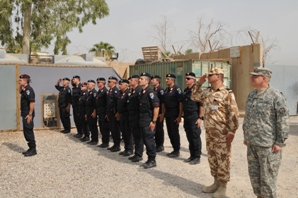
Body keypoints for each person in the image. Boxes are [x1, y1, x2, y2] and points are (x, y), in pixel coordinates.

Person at [191, 67, 239, 198]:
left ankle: (223, 186)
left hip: (222, 133)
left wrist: (232, 131)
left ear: (218, 76)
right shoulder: (207, 91)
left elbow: (234, 114)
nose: (208, 76)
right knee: (212, 158)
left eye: (211, 74)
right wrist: (199, 83)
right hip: (210, 133)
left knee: (223, 159)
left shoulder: (227, 93)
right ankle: (216, 182)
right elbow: (194, 96)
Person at [243, 67, 289, 198]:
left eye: (255, 76)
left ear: (264, 78)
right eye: (252, 75)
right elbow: (248, 117)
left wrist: (280, 142)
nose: (252, 78)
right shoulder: (252, 94)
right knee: (255, 179)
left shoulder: (276, 96)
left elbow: (283, 121)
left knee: (268, 181)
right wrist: (247, 135)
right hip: (252, 144)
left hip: (267, 146)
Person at [138, 72, 160, 169]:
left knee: (149, 140)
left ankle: (152, 160)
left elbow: (156, 107)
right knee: (145, 140)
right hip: (142, 119)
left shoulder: (150, 92)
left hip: (148, 120)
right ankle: (149, 158)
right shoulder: (142, 92)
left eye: (141, 78)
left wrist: (154, 121)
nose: (139, 80)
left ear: (147, 81)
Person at [182, 72, 203, 165]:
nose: (186, 80)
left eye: (188, 78)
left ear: (193, 80)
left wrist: (200, 118)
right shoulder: (186, 90)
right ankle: (192, 155)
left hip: (194, 116)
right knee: (189, 136)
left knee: (195, 136)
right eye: (186, 78)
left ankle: (197, 156)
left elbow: (201, 105)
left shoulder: (197, 90)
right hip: (187, 116)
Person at [163, 73, 183, 158]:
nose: (166, 80)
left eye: (168, 79)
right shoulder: (167, 90)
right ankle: (174, 149)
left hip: (174, 113)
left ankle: (177, 150)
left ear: (172, 80)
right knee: (170, 132)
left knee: (174, 132)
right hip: (168, 113)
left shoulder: (177, 89)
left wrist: (179, 116)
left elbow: (180, 103)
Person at [19, 74, 37, 157]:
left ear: (25, 81)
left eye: (21, 80)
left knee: (28, 130)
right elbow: (19, 92)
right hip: (25, 113)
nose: (19, 81)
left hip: (27, 114)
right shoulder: (24, 89)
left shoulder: (29, 90)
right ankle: (30, 147)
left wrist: (30, 114)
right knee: (26, 130)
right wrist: (21, 86)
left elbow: (32, 102)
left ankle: (33, 149)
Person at [127, 75, 144, 162]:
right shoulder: (133, 91)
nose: (130, 81)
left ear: (136, 82)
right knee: (135, 136)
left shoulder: (139, 91)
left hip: (137, 117)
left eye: (132, 80)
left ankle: (139, 154)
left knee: (138, 136)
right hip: (132, 116)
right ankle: (136, 153)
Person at [116, 79, 133, 156]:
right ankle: (126, 148)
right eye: (119, 84)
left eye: (121, 84)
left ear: (126, 85)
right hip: (122, 115)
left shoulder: (128, 93)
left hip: (127, 116)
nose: (119, 85)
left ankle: (130, 149)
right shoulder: (121, 93)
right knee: (124, 133)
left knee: (128, 133)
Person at [106, 76, 121, 152]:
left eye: (109, 82)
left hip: (114, 113)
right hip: (110, 113)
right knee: (112, 129)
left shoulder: (116, 91)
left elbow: (118, 103)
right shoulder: (110, 91)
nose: (108, 83)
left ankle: (117, 145)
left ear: (114, 83)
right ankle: (115, 144)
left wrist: (118, 113)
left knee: (115, 129)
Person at [151, 75, 165, 152]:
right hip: (154, 113)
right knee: (155, 129)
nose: (152, 81)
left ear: (157, 81)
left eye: (153, 80)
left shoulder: (160, 90)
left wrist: (162, 113)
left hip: (159, 113)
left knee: (159, 129)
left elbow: (162, 102)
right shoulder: (154, 89)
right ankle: (157, 144)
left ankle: (160, 145)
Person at [95, 77, 110, 148]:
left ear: (103, 83)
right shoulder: (99, 91)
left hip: (104, 112)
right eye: (97, 82)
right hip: (99, 111)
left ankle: (106, 142)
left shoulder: (105, 92)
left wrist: (107, 113)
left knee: (105, 127)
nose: (97, 84)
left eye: (98, 82)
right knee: (101, 127)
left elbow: (107, 103)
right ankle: (104, 141)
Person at [85, 79, 98, 145]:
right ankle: (92, 139)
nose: (87, 85)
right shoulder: (89, 92)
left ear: (93, 85)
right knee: (90, 125)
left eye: (89, 84)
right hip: (89, 111)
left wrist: (94, 111)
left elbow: (95, 103)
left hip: (92, 111)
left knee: (93, 125)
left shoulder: (94, 93)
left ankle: (95, 140)